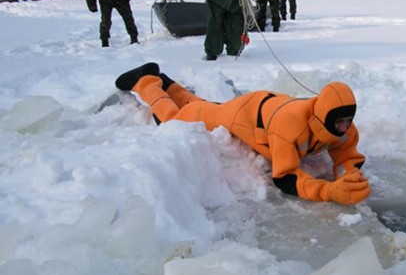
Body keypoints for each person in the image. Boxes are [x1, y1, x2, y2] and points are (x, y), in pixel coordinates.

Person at [114, 62, 371, 205]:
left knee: (202, 107)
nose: (344, 128)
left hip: (270, 105)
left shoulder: (342, 125)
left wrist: (351, 176)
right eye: (339, 122)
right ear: (323, 116)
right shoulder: (290, 128)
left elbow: (348, 155)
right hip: (247, 114)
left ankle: (168, 84)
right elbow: (285, 177)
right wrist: (329, 191)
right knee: (176, 119)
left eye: (348, 121)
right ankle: (146, 81)